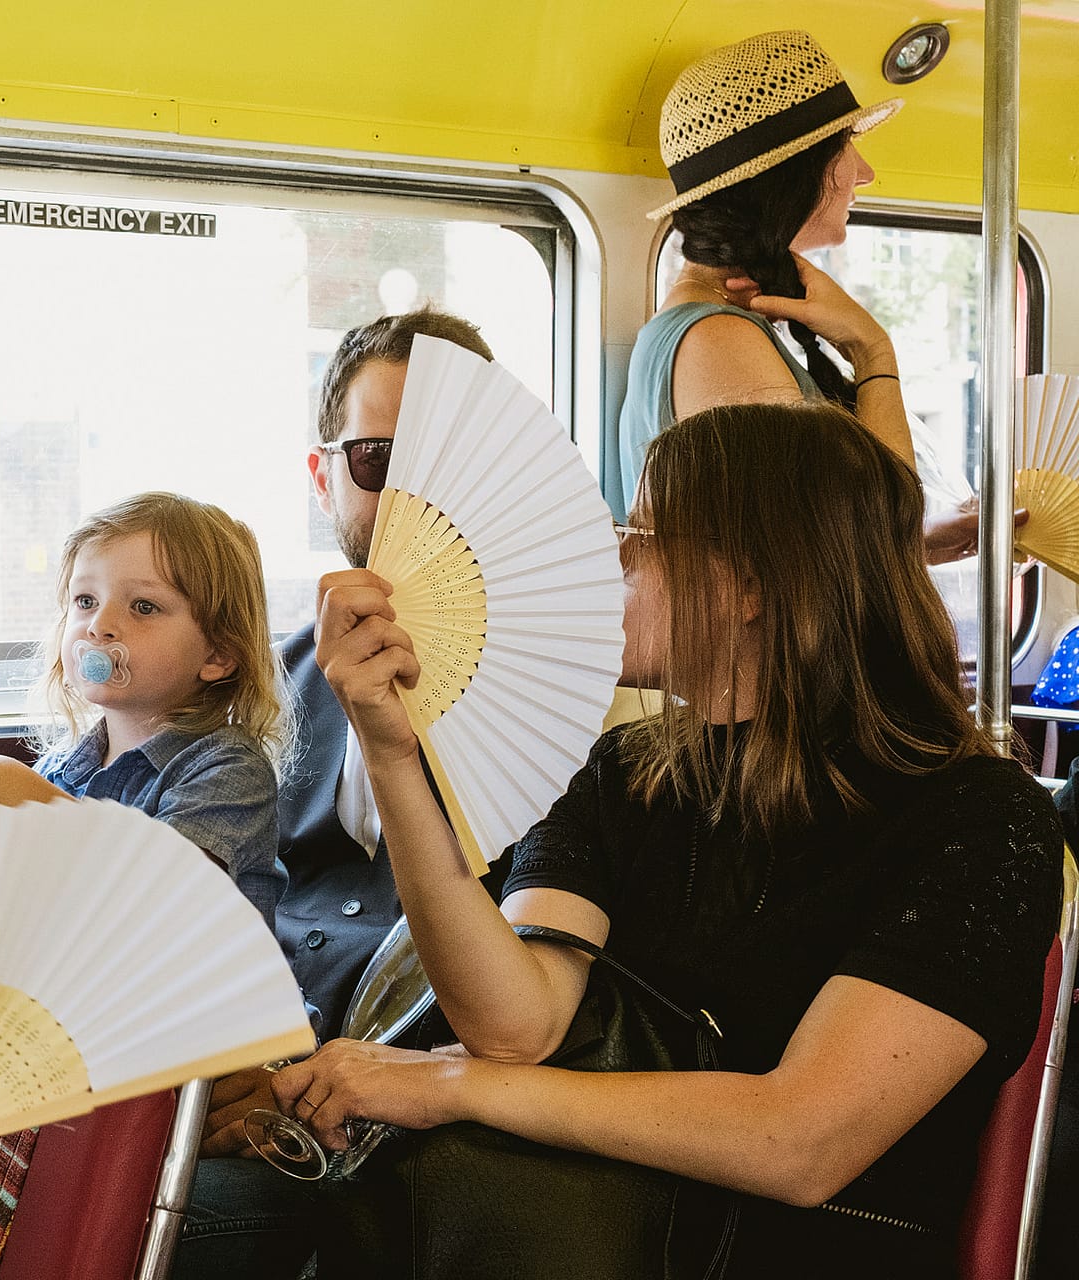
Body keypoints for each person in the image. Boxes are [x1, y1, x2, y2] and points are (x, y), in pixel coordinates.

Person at [280, 401, 1063, 1278]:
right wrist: (391, 754)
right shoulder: (625, 774)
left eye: (641, 538)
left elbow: (799, 1142)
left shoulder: (979, 821)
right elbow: (514, 1027)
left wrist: (460, 1087)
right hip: (602, 1231)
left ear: (751, 585)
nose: (612, 560)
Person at [173, 308, 504, 1280]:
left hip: (412, 1118)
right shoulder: (268, 685)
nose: (414, 496)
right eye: (377, 459)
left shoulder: (566, 696)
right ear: (324, 480)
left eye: (449, 460)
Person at [611, 30, 992, 564]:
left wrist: (924, 542)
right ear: (791, 177)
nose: (865, 173)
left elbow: (800, 551)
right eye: (845, 146)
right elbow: (862, 546)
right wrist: (871, 349)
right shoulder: (719, 341)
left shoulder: (721, 329)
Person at [0, 491, 287, 929]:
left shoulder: (228, 773)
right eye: (86, 601)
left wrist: (3, 782)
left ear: (218, 654)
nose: (99, 626)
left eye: (143, 607)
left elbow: (149, 911)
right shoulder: (60, 769)